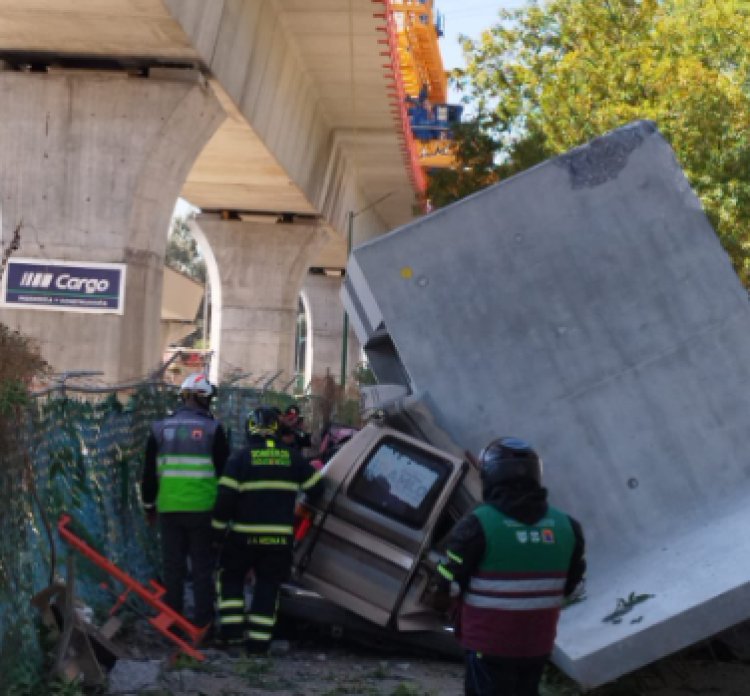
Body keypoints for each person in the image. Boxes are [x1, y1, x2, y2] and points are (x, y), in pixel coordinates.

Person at [434, 437, 586, 696]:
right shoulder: (567, 527)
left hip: (489, 646)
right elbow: (571, 586)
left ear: (490, 477)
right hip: (537, 647)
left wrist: (440, 600)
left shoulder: (478, 525)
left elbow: (447, 583)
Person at [212, 405, 325, 654]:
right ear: (277, 429)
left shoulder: (239, 458)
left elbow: (225, 500)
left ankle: (231, 636)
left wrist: (217, 533)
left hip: (243, 537)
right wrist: (301, 506)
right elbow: (318, 487)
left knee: (230, 579)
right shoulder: (292, 457)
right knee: (267, 587)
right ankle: (258, 644)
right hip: (278, 540)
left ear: (250, 429)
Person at [141, 372, 230, 632]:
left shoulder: (159, 429)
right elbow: (224, 474)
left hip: (169, 509)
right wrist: (224, 514)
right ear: (204, 399)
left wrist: (149, 507)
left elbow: (148, 475)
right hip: (203, 510)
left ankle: (173, 623)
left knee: (173, 568)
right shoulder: (214, 430)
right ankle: (204, 623)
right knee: (202, 567)